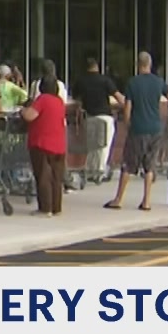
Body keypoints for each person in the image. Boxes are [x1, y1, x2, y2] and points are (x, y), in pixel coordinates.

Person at [105, 52, 166, 211]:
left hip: (138, 128)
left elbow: (127, 107)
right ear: (150, 64)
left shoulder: (133, 83)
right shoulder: (159, 82)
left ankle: (118, 199)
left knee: (129, 164)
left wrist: (127, 124)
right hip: (155, 128)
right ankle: (146, 201)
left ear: (138, 65)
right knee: (149, 166)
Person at [22, 66, 67, 216]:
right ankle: (56, 208)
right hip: (59, 144)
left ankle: (45, 208)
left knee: (42, 176)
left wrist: (23, 110)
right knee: (56, 178)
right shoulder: (59, 102)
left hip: (41, 143)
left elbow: (30, 116)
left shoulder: (42, 100)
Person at [71, 58, 122, 185]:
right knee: (104, 145)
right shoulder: (105, 80)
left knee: (92, 145)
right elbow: (118, 97)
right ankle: (99, 172)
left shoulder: (81, 81)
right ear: (97, 67)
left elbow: (76, 99)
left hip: (90, 116)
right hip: (105, 116)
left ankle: (90, 170)